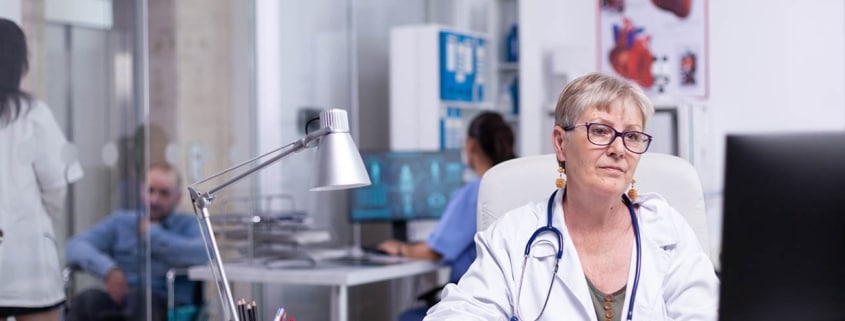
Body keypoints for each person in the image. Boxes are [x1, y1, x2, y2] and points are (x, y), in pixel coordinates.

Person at [424, 73, 719, 320]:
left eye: (632, 136)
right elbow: (459, 313)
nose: (619, 149)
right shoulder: (513, 237)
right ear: (560, 143)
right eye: (600, 131)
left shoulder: (668, 231)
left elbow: (704, 314)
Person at [377, 111, 517, 321]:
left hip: (475, 303)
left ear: (470, 146)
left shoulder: (476, 190)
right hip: (508, 304)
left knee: (407, 317)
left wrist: (399, 248)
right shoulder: (513, 186)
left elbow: (435, 252)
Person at [0, 18, 84, 321]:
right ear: (19, 61)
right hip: (27, 265)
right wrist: (40, 220)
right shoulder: (33, 114)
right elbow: (57, 184)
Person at [66, 163, 207, 321]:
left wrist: (152, 235)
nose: (154, 199)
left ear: (178, 198)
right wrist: (108, 269)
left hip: (166, 304)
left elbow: (205, 251)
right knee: (87, 301)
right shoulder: (122, 222)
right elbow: (75, 246)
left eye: (164, 193)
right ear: (141, 190)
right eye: (150, 190)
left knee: (141, 299)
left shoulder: (188, 224)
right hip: (120, 299)